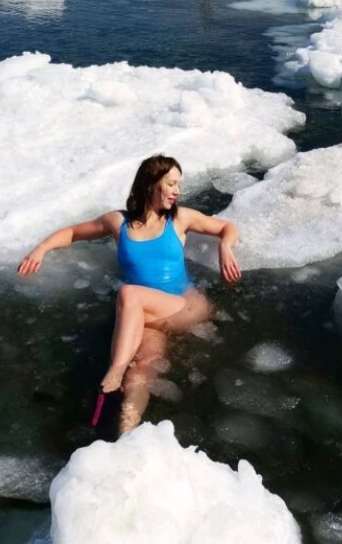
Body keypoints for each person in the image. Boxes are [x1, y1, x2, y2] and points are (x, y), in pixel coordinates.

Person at [18, 154, 241, 433]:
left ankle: (115, 369)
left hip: (184, 307)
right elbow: (73, 232)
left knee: (129, 294)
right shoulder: (118, 223)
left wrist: (226, 247)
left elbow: (226, 227)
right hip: (146, 317)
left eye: (178, 184)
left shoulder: (180, 219)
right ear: (150, 183)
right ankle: (125, 436)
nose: (177, 191)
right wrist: (42, 248)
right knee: (140, 373)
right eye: (171, 183)